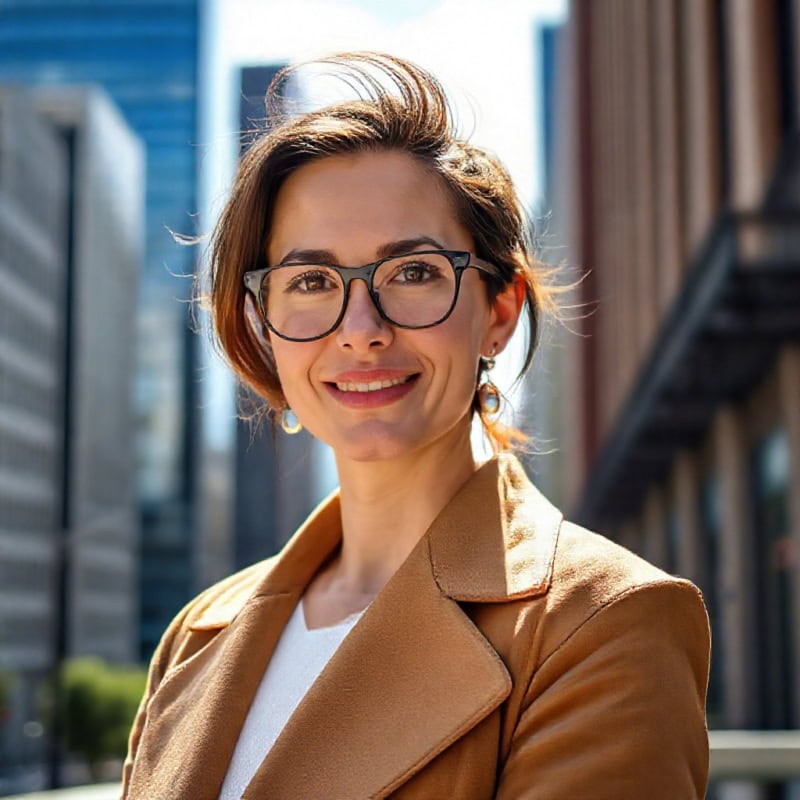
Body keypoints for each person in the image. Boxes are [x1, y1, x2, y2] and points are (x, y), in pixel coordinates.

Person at [122, 53, 710, 800]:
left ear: (498, 312)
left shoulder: (601, 623)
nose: (360, 329)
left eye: (414, 272)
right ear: (264, 325)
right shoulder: (197, 635)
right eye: (311, 281)